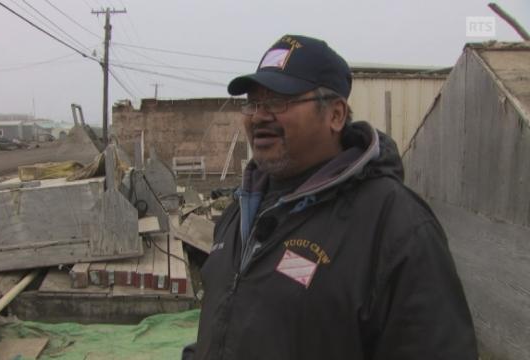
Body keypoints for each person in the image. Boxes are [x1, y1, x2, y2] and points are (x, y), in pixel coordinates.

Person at [183, 35, 478, 359]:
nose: (259, 116)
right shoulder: (239, 215)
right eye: (253, 103)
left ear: (336, 114)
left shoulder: (396, 227)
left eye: (279, 101)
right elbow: (224, 327)